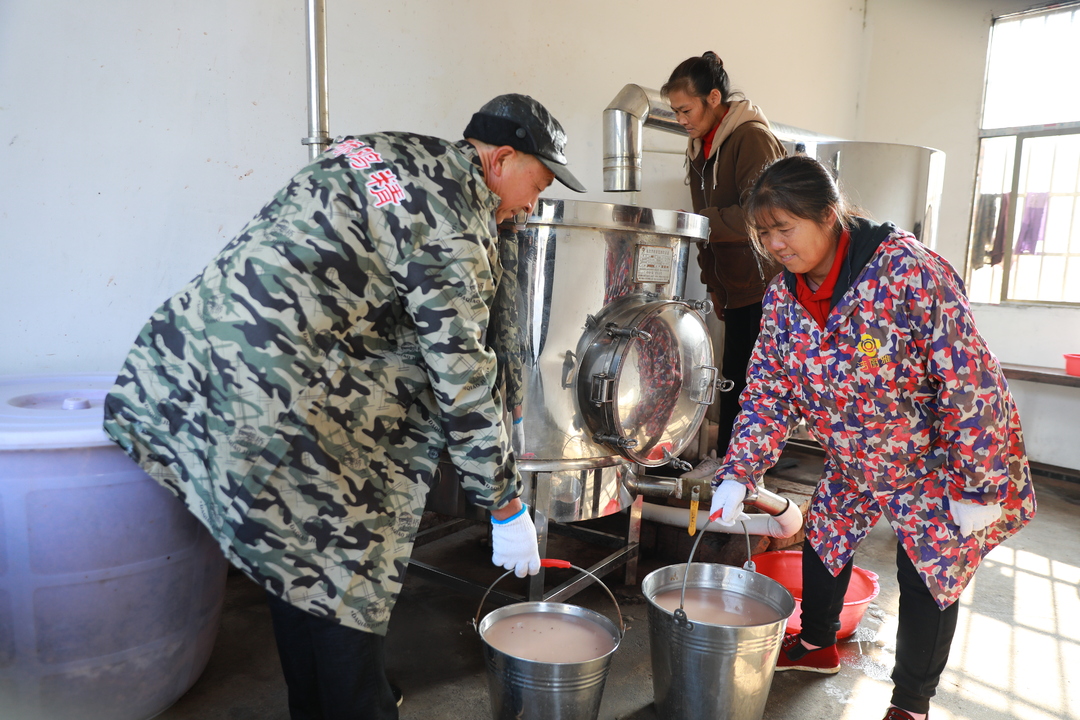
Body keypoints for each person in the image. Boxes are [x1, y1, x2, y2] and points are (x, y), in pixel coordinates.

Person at [102, 93, 586, 720]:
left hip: (201, 363)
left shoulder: (392, 150)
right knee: (349, 568)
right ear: (500, 159)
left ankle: (321, 704)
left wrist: (513, 396)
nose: (534, 202)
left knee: (294, 552)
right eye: (538, 182)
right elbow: (461, 377)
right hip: (283, 398)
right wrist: (504, 504)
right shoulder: (452, 226)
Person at [707, 155, 1037, 720]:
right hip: (853, 452)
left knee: (929, 572)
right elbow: (766, 390)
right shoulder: (784, 300)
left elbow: (970, 381)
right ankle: (816, 646)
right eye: (763, 235)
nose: (774, 246)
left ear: (830, 216)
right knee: (824, 539)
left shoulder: (907, 272)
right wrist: (740, 471)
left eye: (784, 229)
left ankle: (910, 704)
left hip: (928, 460)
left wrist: (977, 487)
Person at [660, 52, 786, 480]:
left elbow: (760, 213)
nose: (680, 120)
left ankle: (744, 468)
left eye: (685, 110)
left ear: (714, 98)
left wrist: (698, 225)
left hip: (765, 281)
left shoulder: (751, 138)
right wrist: (713, 282)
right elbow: (706, 227)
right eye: (675, 112)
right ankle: (732, 461)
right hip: (733, 285)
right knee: (734, 376)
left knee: (757, 381)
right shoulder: (700, 149)